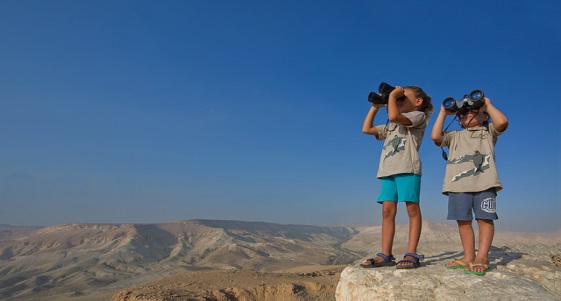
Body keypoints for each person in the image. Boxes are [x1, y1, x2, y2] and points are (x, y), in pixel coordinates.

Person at [430, 96, 508, 276]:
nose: (467, 115)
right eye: (462, 113)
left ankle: (482, 257)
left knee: (484, 219)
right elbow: (435, 136)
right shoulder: (454, 136)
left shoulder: (488, 132)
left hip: (485, 183)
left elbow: (502, 122)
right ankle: (468, 256)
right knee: (463, 222)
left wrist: (487, 104)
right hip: (458, 185)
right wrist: (443, 112)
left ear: (485, 116)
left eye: (473, 111)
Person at [360, 85, 433, 269]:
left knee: (412, 209)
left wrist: (392, 96)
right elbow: (366, 129)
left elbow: (394, 115)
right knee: (387, 212)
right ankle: (386, 254)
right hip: (388, 171)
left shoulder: (418, 116)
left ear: (418, 102)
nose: (398, 100)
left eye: (402, 97)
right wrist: (376, 106)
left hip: (408, 168)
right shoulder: (391, 125)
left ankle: (411, 252)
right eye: (397, 98)